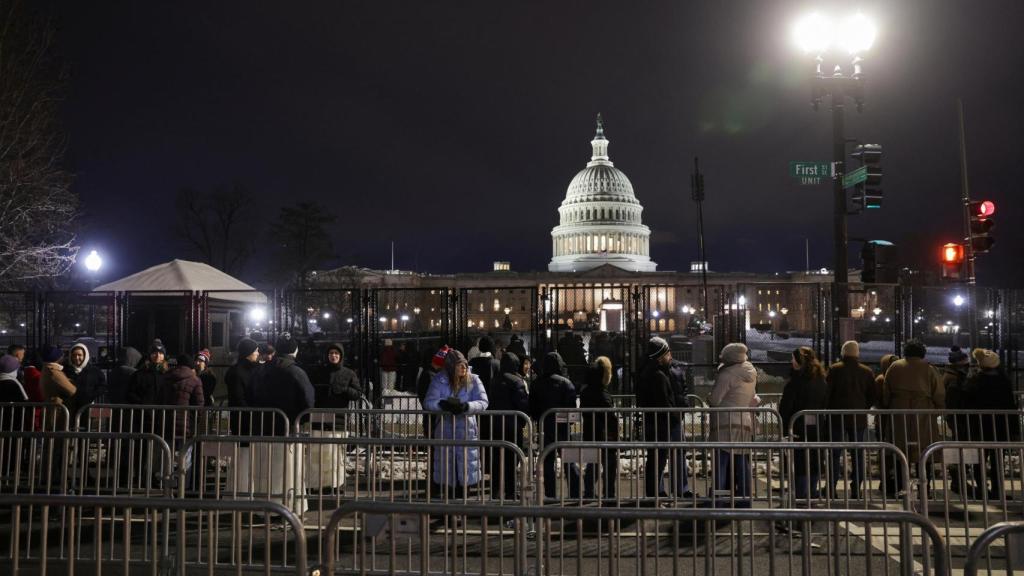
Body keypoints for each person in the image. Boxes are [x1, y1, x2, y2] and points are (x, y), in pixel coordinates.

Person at [882, 339, 944, 495]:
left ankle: (901, 486)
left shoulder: (895, 367)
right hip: (923, 413)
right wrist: (939, 408)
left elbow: (885, 392)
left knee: (900, 451)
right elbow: (939, 394)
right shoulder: (929, 369)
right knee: (925, 452)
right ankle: (925, 488)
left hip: (899, 413)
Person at [424, 349, 489, 498]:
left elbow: (483, 401)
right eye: (460, 365)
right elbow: (428, 402)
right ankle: (448, 513)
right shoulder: (439, 380)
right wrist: (443, 405)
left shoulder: (473, 380)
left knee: (465, 473)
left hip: (466, 433)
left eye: (465, 364)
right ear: (451, 366)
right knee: (448, 474)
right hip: (446, 433)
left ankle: (461, 511)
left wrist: (467, 407)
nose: (463, 368)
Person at [961, 348, 1019, 500]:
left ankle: (982, 489)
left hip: (979, 426)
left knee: (980, 459)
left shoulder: (975, 381)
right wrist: (1014, 429)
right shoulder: (1003, 381)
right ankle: (997, 491)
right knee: (997, 460)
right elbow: (1010, 405)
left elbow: (966, 402)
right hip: (1000, 426)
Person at [708, 343, 758, 506]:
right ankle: (744, 499)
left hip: (725, 424)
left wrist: (709, 397)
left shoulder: (726, 374)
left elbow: (715, 400)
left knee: (720, 465)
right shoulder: (751, 370)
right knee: (742, 463)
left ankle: (719, 499)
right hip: (744, 422)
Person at [824, 340, 875, 499]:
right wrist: (863, 408)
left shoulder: (835, 370)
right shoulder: (866, 372)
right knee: (857, 454)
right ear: (857, 353)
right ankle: (856, 488)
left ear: (843, 352)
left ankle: (831, 487)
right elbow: (872, 395)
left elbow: (827, 392)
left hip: (836, 418)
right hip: (858, 418)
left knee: (834, 454)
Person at [779, 346, 829, 500]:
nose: (791, 361)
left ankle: (800, 496)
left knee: (800, 462)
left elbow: (786, 406)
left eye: (793, 358)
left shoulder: (795, 382)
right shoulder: (820, 380)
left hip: (798, 426)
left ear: (799, 361)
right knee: (813, 460)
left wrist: (784, 427)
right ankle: (811, 493)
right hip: (817, 426)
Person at [529, 351, 579, 499]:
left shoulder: (536, 383)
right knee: (569, 462)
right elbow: (572, 408)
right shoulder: (566, 383)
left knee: (548, 463)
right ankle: (574, 494)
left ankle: (550, 495)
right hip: (563, 428)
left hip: (545, 427)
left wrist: (540, 418)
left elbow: (532, 407)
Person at [248, 333, 315, 430]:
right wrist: (303, 419)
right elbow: (308, 399)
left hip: (262, 425)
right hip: (289, 426)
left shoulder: (261, 369)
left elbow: (252, 394)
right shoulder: (297, 372)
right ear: (295, 350)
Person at [486, 351, 530, 501]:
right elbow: (523, 404)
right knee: (512, 460)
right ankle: (511, 492)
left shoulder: (494, 380)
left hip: (495, 425)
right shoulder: (517, 382)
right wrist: (522, 421)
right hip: (512, 426)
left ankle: (496, 490)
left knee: (497, 460)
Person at [637, 336, 675, 499]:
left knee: (654, 460)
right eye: (667, 354)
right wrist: (674, 415)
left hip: (653, 422)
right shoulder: (658, 376)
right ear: (660, 356)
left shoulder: (647, 372)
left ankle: (653, 494)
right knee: (657, 461)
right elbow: (664, 403)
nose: (670, 357)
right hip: (660, 424)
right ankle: (654, 496)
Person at [580, 356, 618, 500]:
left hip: (590, 432)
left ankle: (589, 492)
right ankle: (609, 493)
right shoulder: (603, 394)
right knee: (609, 465)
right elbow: (610, 417)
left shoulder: (585, 391)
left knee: (592, 464)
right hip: (604, 435)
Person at [667, 354, 695, 498]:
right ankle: (681, 488)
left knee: (660, 454)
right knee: (679, 452)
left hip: (667, 417)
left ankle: (659, 491)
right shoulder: (676, 371)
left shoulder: (658, 371)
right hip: (675, 417)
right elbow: (682, 393)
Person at [161, 354, 205, 437]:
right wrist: (196, 420)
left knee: (167, 448)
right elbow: (199, 404)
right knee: (185, 448)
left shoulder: (166, 377)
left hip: (166, 424)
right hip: (186, 424)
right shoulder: (195, 380)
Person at [225, 338, 260, 435]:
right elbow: (238, 397)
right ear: (249, 352)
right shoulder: (237, 372)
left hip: (248, 417)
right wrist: (252, 413)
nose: (258, 353)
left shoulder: (250, 369)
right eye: (256, 351)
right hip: (243, 419)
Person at [316, 343, 363, 408]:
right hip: (321, 411)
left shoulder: (349, 373)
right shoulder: (320, 371)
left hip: (339, 413)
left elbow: (358, 394)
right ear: (328, 355)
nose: (333, 355)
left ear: (341, 355)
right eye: (331, 353)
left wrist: (345, 389)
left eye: (336, 353)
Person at [39, 345, 76, 430]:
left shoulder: (46, 369)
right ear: (57, 358)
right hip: (57, 411)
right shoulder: (54, 372)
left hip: (51, 409)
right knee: (56, 438)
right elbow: (72, 390)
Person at [64, 342, 107, 414]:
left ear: (85, 356)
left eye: (79, 355)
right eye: (74, 355)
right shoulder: (66, 370)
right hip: (70, 409)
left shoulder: (94, 371)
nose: (76, 358)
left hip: (88, 408)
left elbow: (102, 386)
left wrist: (91, 395)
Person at [127, 340, 169, 406]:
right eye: (154, 353)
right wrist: (143, 405)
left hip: (163, 414)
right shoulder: (139, 375)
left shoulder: (168, 374)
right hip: (143, 414)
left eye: (161, 353)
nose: (158, 356)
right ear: (149, 355)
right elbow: (130, 394)